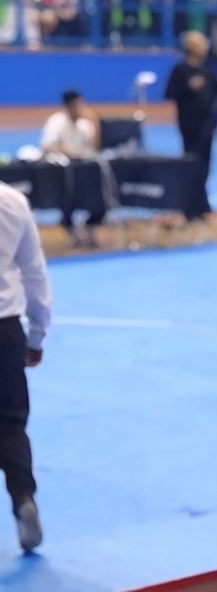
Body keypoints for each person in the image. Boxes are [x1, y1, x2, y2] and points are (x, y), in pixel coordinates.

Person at [0, 181, 52, 554]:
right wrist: (37, 334)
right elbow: (35, 273)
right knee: (9, 424)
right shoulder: (12, 201)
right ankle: (23, 498)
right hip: (4, 329)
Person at [164, 32, 217, 221]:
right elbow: (169, 92)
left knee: (206, 163)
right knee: (192, 162)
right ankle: (190, 206)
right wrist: (188, 87)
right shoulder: (180, 70)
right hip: (189, 123)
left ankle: (201, 203)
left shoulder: (208, 69)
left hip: (207, 123)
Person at [40, 90, 106, 246]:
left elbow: (96, 148)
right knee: (68, 195)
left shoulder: (86, 124)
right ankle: (69, 226)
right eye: (77, 105)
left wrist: (95, 123)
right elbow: (47, 147)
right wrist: (71, 152)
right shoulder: (56, 122)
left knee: (103, 192)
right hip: (62, 171)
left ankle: (90, 225)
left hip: (85, 169)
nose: (81, 108)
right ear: (68, 106)